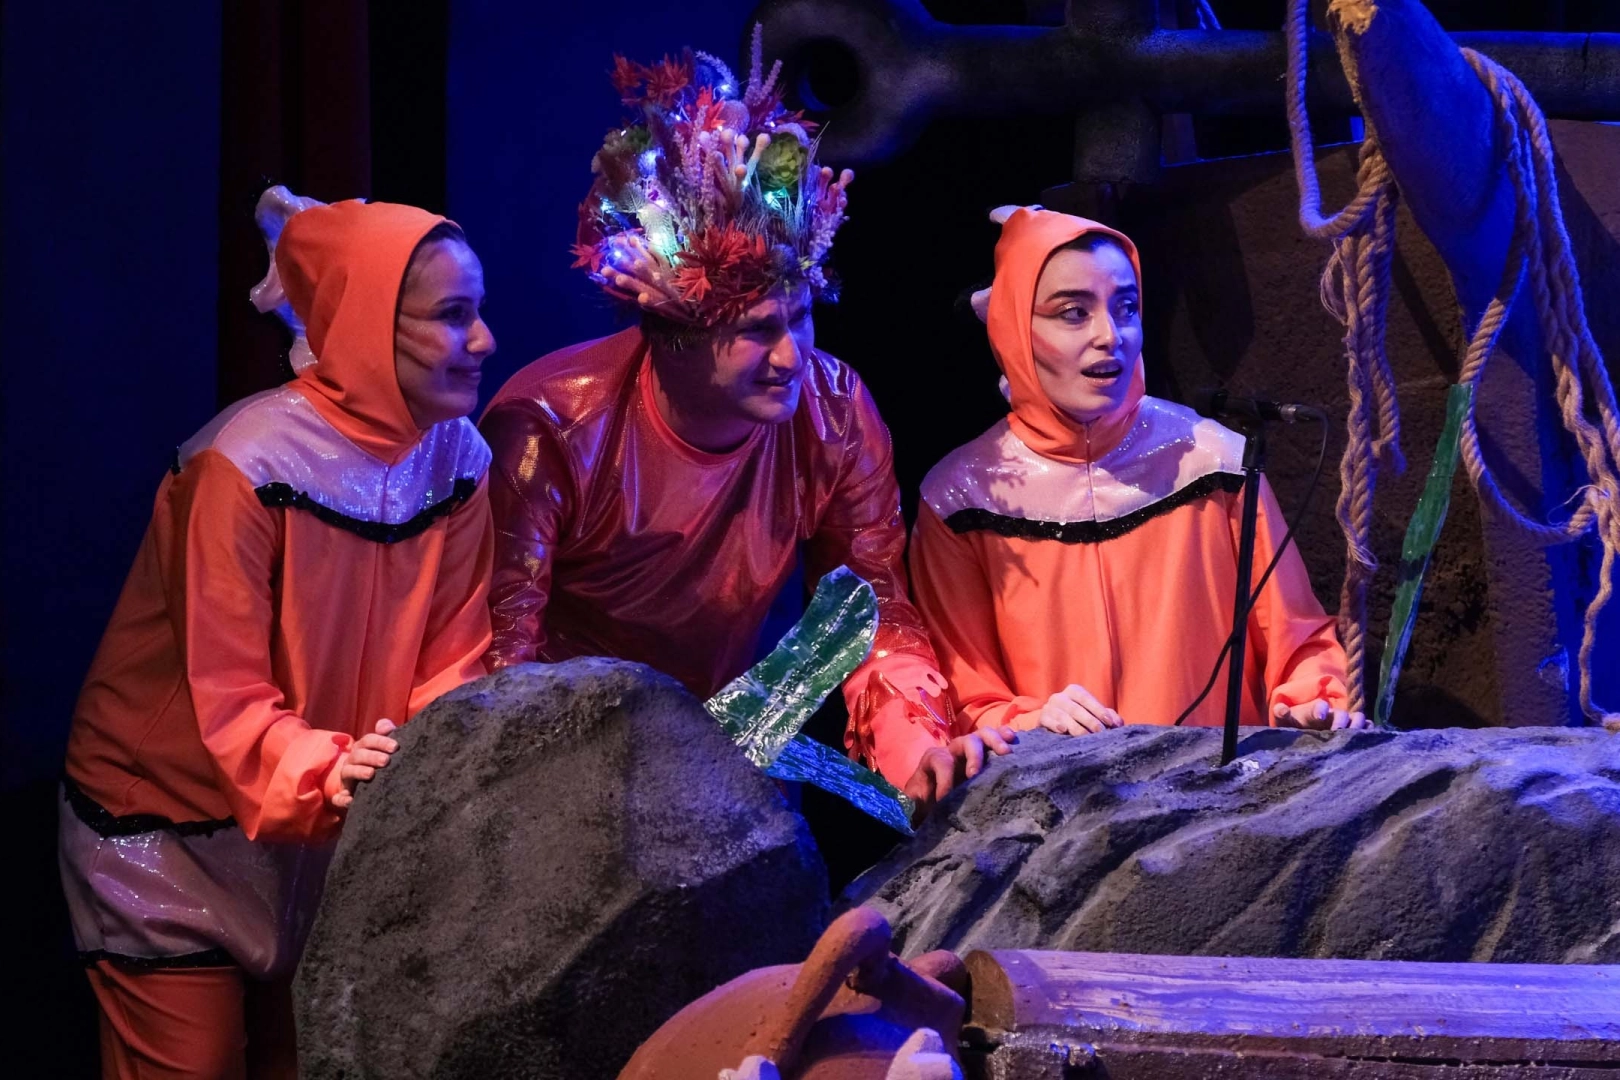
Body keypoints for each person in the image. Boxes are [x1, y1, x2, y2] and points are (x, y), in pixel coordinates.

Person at [481, 40, 1013, 815]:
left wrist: (916, 752)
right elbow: (504, 664)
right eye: (759, 330)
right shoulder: (554, 426)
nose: (793, 356)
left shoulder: (833, 409)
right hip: (566, 763)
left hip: (729, 747)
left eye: (801, 318)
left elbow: (870, 613)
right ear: (681, 337)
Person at [58, 189, 497, 1078]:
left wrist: (418, 764)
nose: (485, 341)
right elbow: (226, 693)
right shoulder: (245, 463)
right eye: (454, 316)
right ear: (369, 325)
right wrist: (329, 771)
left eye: (479, 311)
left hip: (334, 835)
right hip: (172, 835)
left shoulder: (458, 459)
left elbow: (453, 658)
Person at [909, 205, 1367, 736]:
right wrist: (1031, 721)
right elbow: (963, 700)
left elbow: (1298, 642)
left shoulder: (1214, 462)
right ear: (1013, 327)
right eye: (1073, 313)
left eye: (1126, 307)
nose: (1111, 334)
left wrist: (1313, 703)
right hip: (1060, 788)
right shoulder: (961, 499)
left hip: (1216, 785)